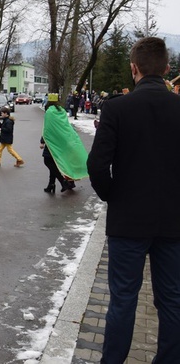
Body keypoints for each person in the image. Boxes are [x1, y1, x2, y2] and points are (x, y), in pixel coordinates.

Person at [87, 36, 180, 363]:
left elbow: (96, 165)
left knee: (123, 300)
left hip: (128, 222)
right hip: (173, 221)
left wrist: (116, 197)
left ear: (133, 69)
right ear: (167, 69)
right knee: (172, 302)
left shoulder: (116, 107)